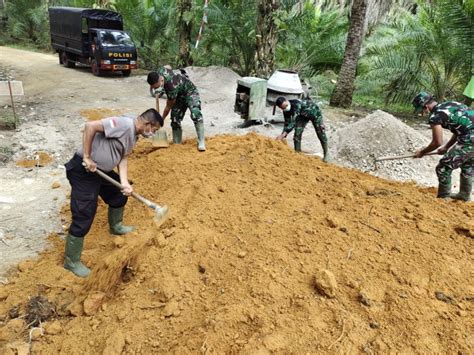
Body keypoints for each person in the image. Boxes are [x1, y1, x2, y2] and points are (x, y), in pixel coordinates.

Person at [64, 109, 163, 277]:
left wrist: (124, 183)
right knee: (84, 213)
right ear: (147, 124)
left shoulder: (134, 134)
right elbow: (90, 126)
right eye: (154, 130)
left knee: (118, 195)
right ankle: (71, 261)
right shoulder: (124, 125)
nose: (153, 134)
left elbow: (123, 157)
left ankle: (116, 227)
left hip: (102, 172)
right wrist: (87, 156)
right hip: (85, 171)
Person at [412, 91, 473, 201]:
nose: (422, 113)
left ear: (426, 106)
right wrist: (447, 147)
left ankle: (443, 199)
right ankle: (464, 195)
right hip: (470, 136)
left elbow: (437, 142)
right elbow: (458, 127)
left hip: (470, 139)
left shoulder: (435, 116)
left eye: (421, 110)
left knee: (443, 167)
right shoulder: (451, 104)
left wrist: (422, 152)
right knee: (468, 164)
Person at [147, 67, 206, 151]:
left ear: (161, 81)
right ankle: (177, 142)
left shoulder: (171, 86)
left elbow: (168, 108)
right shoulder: (160, 71)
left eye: (157, 86)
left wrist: (161, 120)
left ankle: (201, 141)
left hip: (190, 92)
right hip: (178, 95)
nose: (155, 88)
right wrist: (157, 89)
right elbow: (168, 67)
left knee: (195, 113)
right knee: (175, 118)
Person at [274, 96, 329, 162]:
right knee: (297, 133)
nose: (285, 108)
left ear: (286, 101)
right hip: (302, 116)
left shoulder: (297, 104)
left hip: (314, 113)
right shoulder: (285, 111)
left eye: (285, 106)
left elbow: (293, 122)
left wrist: (282, 136)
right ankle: (297, 153)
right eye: (283, 108)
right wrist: (282, 136)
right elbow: (287, 123)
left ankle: (326, 153)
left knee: (320, 132)